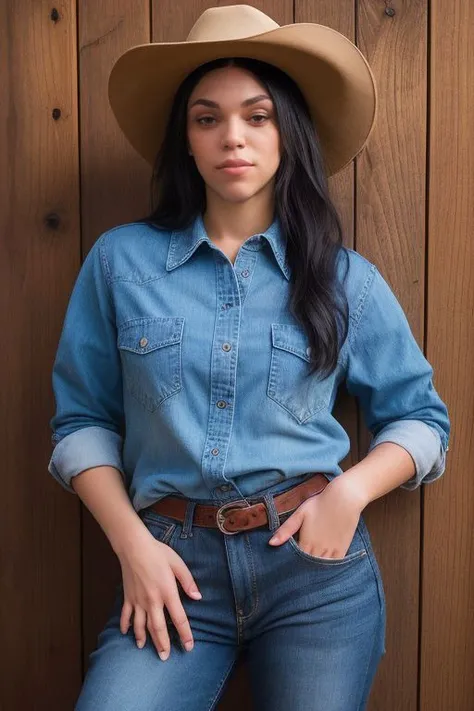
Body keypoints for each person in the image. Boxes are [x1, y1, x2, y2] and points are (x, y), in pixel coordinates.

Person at [47, 5, 450, 710]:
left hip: (314, 571)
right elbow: (80, 420)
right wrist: (131, 545)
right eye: (207, 118)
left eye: (257, 116)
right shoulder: (120, 262)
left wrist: (350, 492)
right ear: (188, 140)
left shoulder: (344, 278)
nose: (232, 136)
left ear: (287, 133)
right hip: (169, 563)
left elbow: (421, 419)